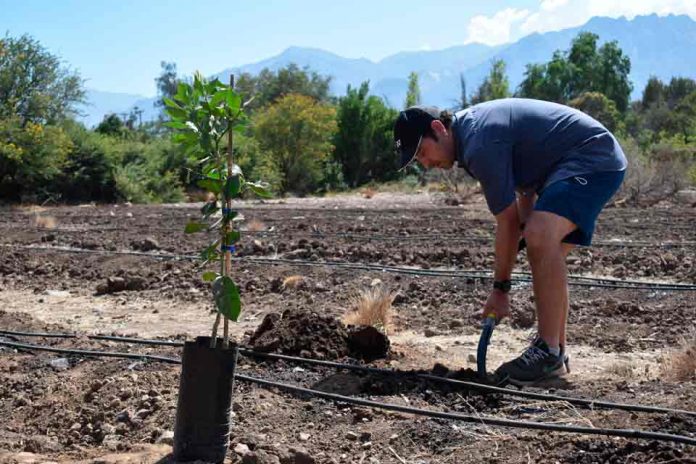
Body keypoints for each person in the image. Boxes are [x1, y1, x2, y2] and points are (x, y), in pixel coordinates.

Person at [393, 98, 627, 386]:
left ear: (439, 128)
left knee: (541, 236)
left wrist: (501, 289)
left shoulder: (479, 143)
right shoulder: (470, 136)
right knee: (542, 244)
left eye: (422, 152)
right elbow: (524, 192)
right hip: (573, 163)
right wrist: (530, 235)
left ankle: (548, 353)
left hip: (593, 156)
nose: (426, 164)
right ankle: (556, 353)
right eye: (418, 161)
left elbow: (507, 221)